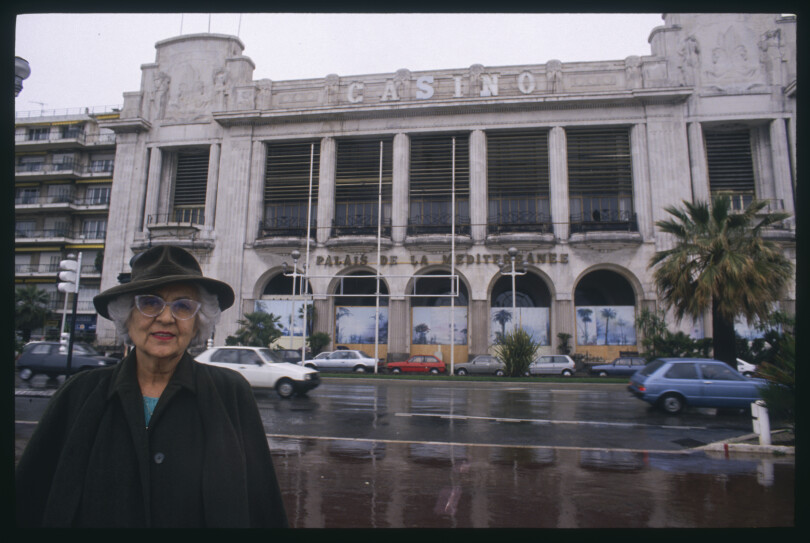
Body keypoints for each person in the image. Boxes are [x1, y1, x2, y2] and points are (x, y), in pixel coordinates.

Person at [15, 245, 289, 528]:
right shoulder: (78, 394)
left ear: (198, 323)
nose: (167, 318)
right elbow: (27, 502)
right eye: (150, 303)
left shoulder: (231, 392)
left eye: (183, 306)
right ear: (127, 316)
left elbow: (262, 504)